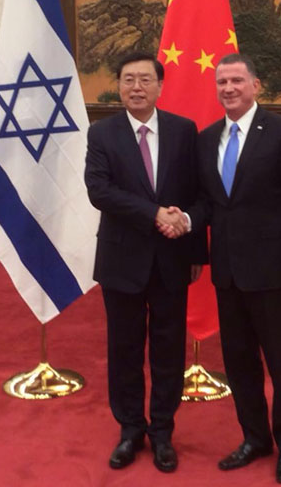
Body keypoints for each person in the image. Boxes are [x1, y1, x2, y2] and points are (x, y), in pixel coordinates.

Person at [186, 53, 281, 484]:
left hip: (275, 273)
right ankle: (255, 437)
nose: (228, 89)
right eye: (221, 82)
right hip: (228, 273)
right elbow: (208, 204)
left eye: (237, 81)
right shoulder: (206, 140)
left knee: (280, 362)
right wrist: (185, 224)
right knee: (239, 362)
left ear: (255, 85)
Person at [84, 51, 204, 473]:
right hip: (121, 260)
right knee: (124, 349)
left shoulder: (184, 131)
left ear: (160, 86)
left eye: (145, 80)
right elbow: (99, 191)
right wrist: (153, 214)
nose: (136, 87)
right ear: (118, 85)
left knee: (169, 351)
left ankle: (163, 432)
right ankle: (131, 429)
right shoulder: (102, 134)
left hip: (173, 259)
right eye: (128, 79)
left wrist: (194, 250)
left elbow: (196, 193)